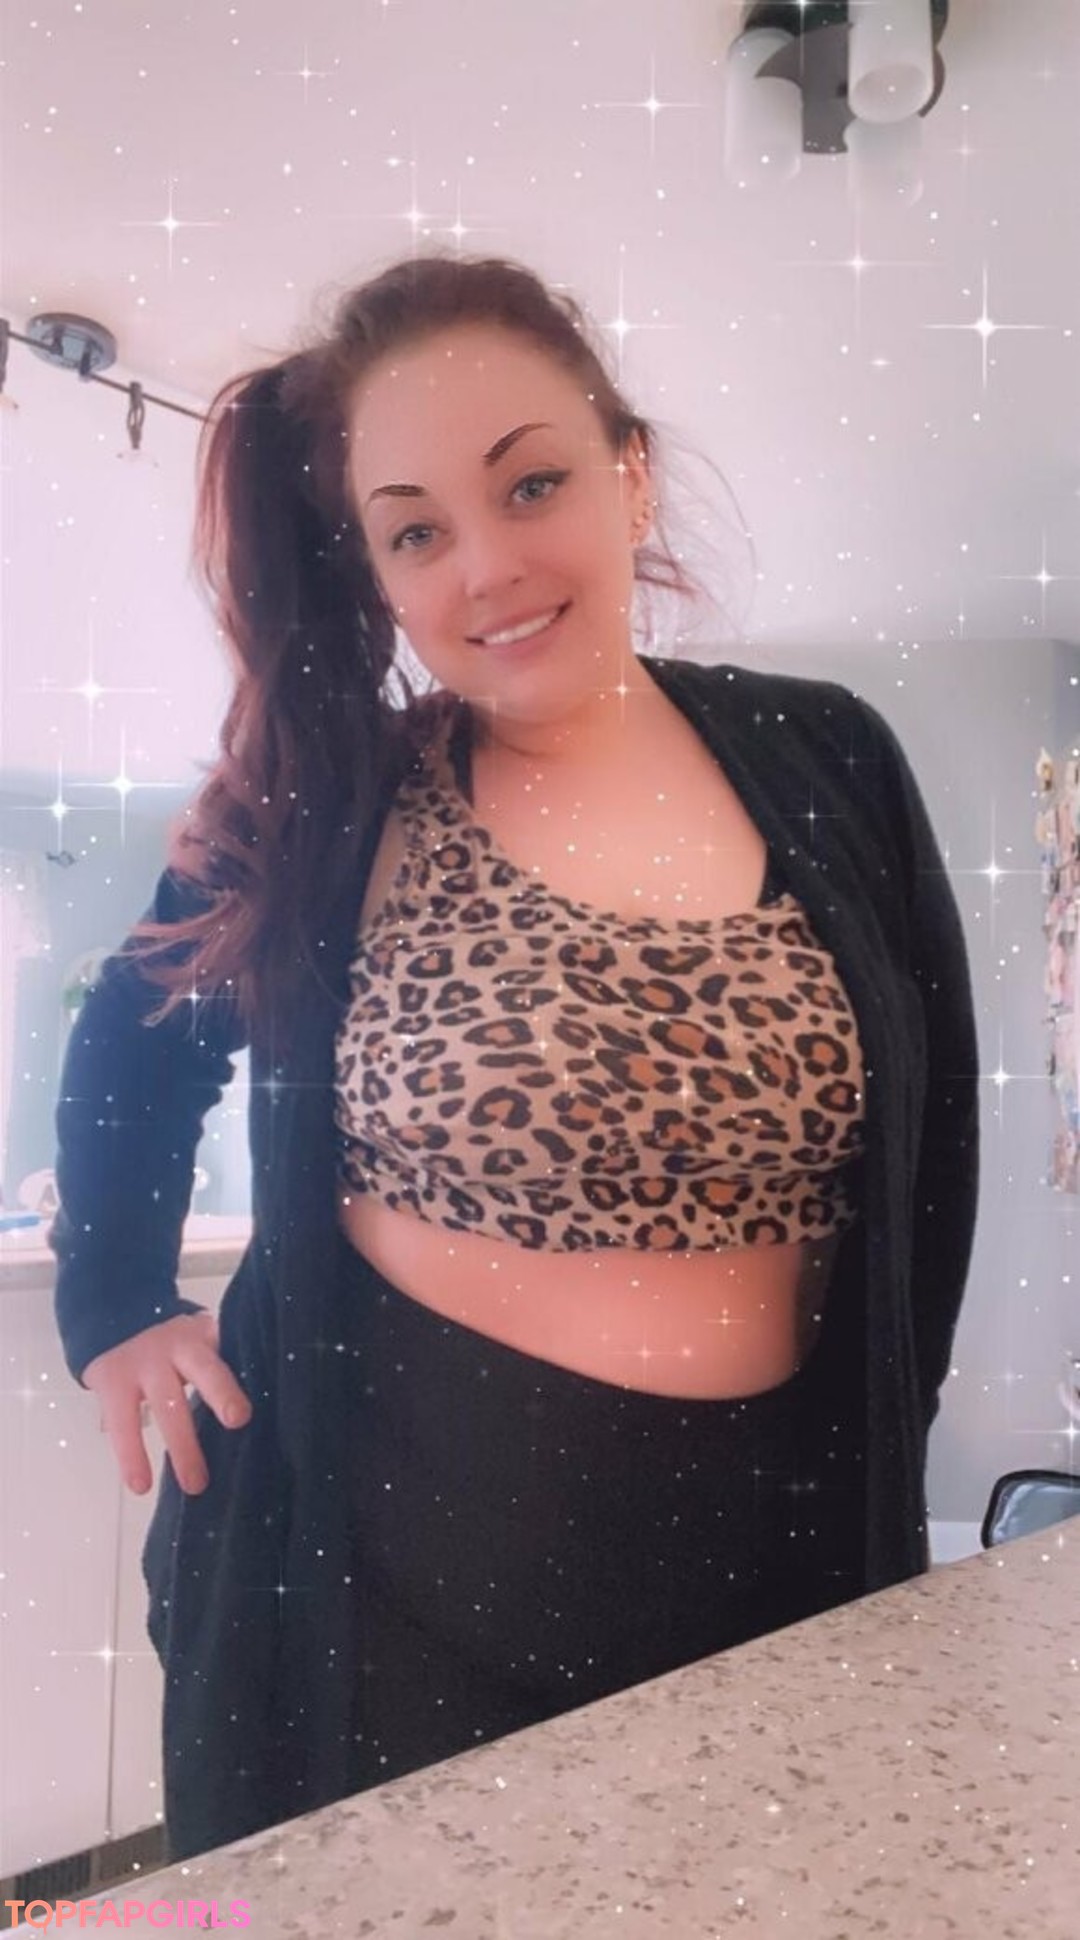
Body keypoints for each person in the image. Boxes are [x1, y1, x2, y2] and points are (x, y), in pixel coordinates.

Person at [50, 251, 980, 1864]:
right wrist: (114, 1297)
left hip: (771, 1561)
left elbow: (935, 1138)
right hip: (379, 1591)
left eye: (531, 482)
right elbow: (135, 1032)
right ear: (378, 571)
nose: (487, 566)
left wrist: (898, 1432)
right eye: (416, 530)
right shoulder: (334, 796)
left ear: (630, 473)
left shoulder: (826, 754)